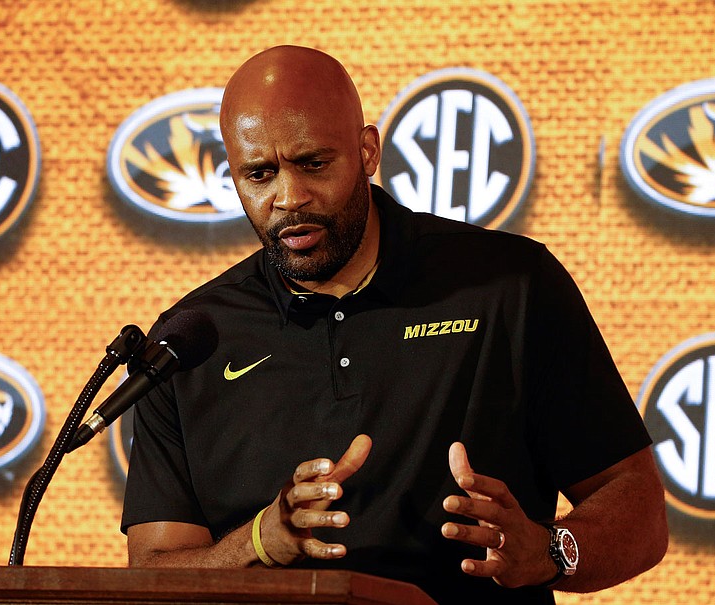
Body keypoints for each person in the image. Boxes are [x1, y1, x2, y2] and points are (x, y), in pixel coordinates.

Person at [121, 45, 668, 604]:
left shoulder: (511, 286)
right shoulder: (188, 342)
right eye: (259, 174)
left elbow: (637, 505)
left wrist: (550, 553)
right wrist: (262, 540)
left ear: (367, 152)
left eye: (314, 164)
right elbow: (156, 574)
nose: (289, 197)